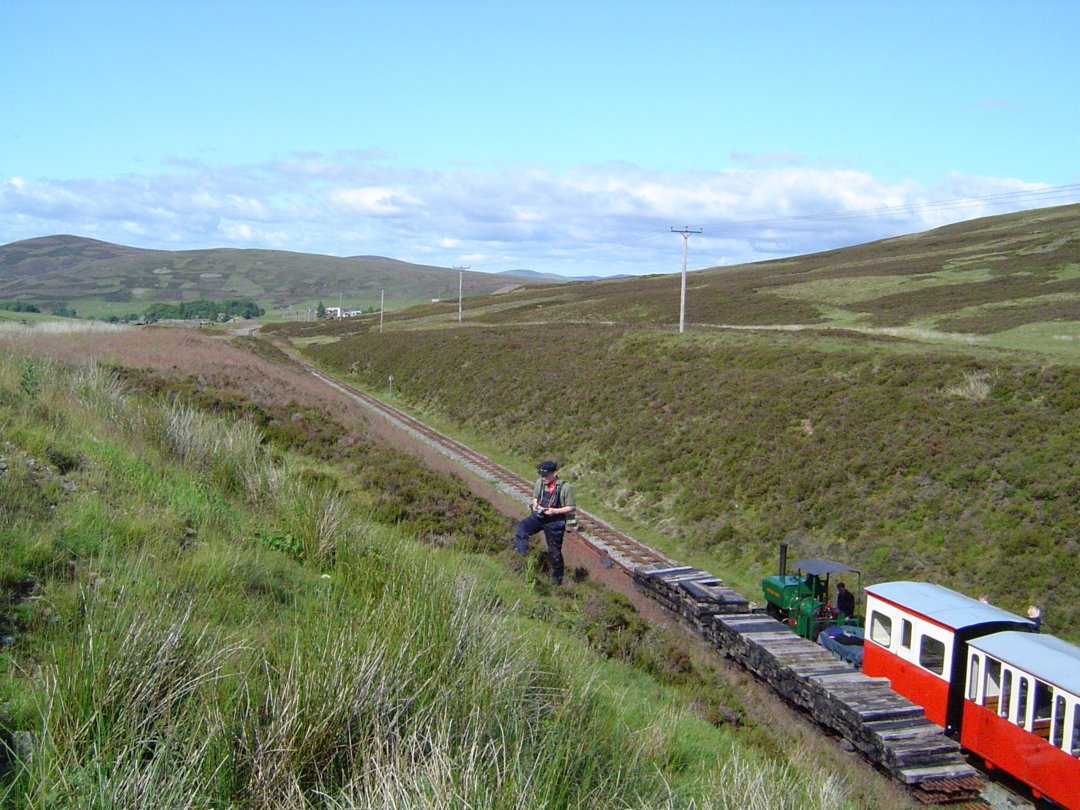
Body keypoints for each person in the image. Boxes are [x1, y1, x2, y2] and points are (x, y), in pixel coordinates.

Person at [514, 461, 576, 585]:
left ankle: (557, 581)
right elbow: (535, 497)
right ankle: (522, 558)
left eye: (546, 475)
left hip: (555, 522)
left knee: (555, 553)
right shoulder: (539, 482)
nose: (543, 478)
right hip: (539, 517)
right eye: (542, 475)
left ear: (554, 473)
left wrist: (554, 511)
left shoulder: (565, 487)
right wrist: (536, 505)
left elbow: (571, 507)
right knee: (522, 528)